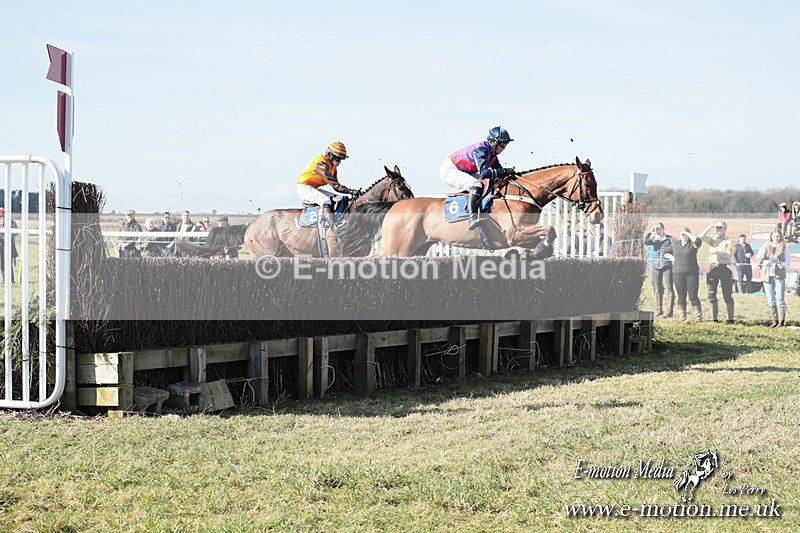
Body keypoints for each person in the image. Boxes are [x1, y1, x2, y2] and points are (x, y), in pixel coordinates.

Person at [439, 126, 517, 229]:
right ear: (493, 142)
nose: (503, 148)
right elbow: (484, 173)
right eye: (502, 144)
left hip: (465, 170)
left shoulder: (493, 156)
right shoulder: (480, 150)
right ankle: (472, 218)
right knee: (477, 184)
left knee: (490, 181)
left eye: (505, 145)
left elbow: (499, 172)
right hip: (450, 170)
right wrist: (506, 171)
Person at [296, 142, 359, 228]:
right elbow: (334, 184)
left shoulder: (333, 166)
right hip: (304, 188)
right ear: (329, 154)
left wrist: (350, 192)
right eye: (337, 159)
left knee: (339, 198)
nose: (339, 162)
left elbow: (336, 184)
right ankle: (333, 227)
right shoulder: (320, 163)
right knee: (326, 201)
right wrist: (350, 191)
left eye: (341, 160)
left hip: (313, 188)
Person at [698, 220, 735, 323]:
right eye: (717, 227)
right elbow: (700, 237)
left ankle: (730, 319)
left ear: (725, 229)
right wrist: (710, 226)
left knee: (727, 294)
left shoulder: (729, 241)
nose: (718, 229)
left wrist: (717, 252)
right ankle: (714, 318)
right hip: (713, 267)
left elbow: (728, 255)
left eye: (720, 227)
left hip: (724, 268)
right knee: (711, 294)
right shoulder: (712, 239)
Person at [756, 230, 790, 327]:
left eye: (778, 236)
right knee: (771, 299)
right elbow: (758, 257)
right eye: (774, 236)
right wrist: (764, 247)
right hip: (767, 274)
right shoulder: (766, 245)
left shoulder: (784, 246)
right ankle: (774, 321)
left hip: (779, 274)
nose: (776, 238)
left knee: (780, 299)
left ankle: (781, 323)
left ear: (780, 237)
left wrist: (779, 262)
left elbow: (787, 263)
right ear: (771, 237)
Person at [668, 227, 703, 321]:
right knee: (681, 295)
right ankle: (682, 316)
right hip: (678, 273)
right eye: (682, 234)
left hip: (692, 273)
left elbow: (698, 241)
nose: (683, 236)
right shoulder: (675, 244)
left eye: (685, 234)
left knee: (693, 295)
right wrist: (673, 259)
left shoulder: (692, 244)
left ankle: (698, 317)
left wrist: (688, 234)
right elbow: (665, 252)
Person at [643, 222, 675, 318]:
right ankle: (659, 309)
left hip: (667, 265)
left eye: (659, 229)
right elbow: (645, 241)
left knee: (669, 287)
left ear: (663, 229)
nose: (658, 231)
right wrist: (651, 231)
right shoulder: (653, 239)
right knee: (657, 287)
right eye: (656, 229)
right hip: (655, 265)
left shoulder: (669, 239)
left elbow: (677, 245)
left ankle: (669, 311)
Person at [0, 208, 18, 283]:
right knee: (2, 262)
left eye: (3, 215)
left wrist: (10, 234)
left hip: (9, 243)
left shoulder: (11, 221)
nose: (2, 217)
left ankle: (11, 279)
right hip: (1, 244)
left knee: (8, 262)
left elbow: (16, 232)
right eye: (1, 216)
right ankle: (4, 278)